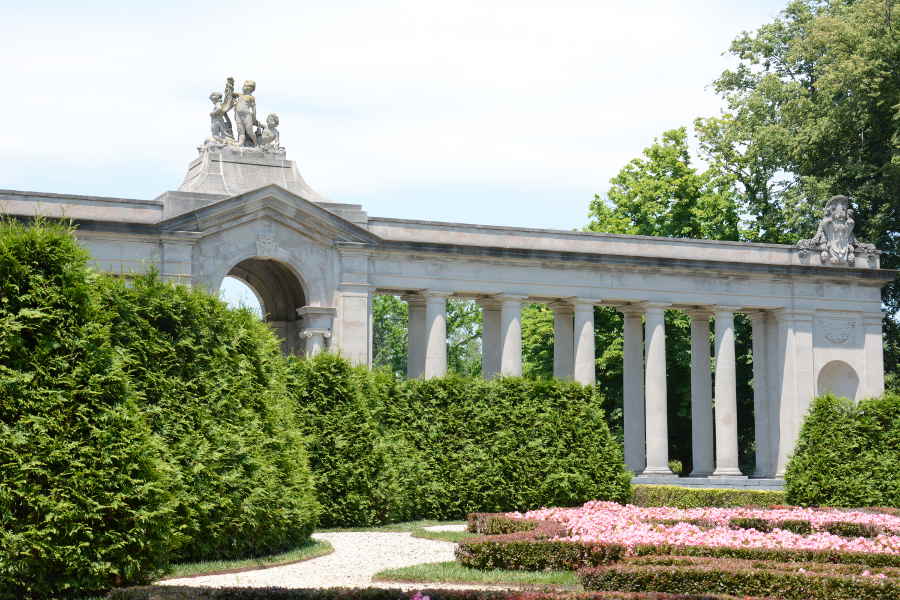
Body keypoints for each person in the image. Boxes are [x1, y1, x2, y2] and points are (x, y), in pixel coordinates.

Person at [233, 80, 258, 147]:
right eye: (244, 85)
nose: (243, 87)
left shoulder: (251, 97)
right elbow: (232, 94)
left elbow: (254, 108)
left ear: (250, 89)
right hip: (238, 115)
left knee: (249, 131)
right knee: (240, 130)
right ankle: (240, 142)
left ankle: (256, 143)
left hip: (247, 115)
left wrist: (254, 117)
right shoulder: (240, 95)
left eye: (246, 86)